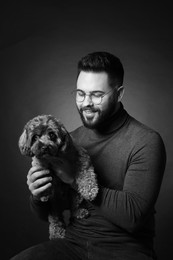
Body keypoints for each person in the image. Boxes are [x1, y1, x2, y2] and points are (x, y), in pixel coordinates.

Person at [11, 51, 166, 260]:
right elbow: (51, 209)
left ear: (119, 94)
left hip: (125, 250)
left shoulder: (145, 141)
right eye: (80, 93)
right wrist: (39, 195)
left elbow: (134, 216)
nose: (86, 103)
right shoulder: (68, 141)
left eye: (97, 95)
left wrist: (73, 177)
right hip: (72, 245)